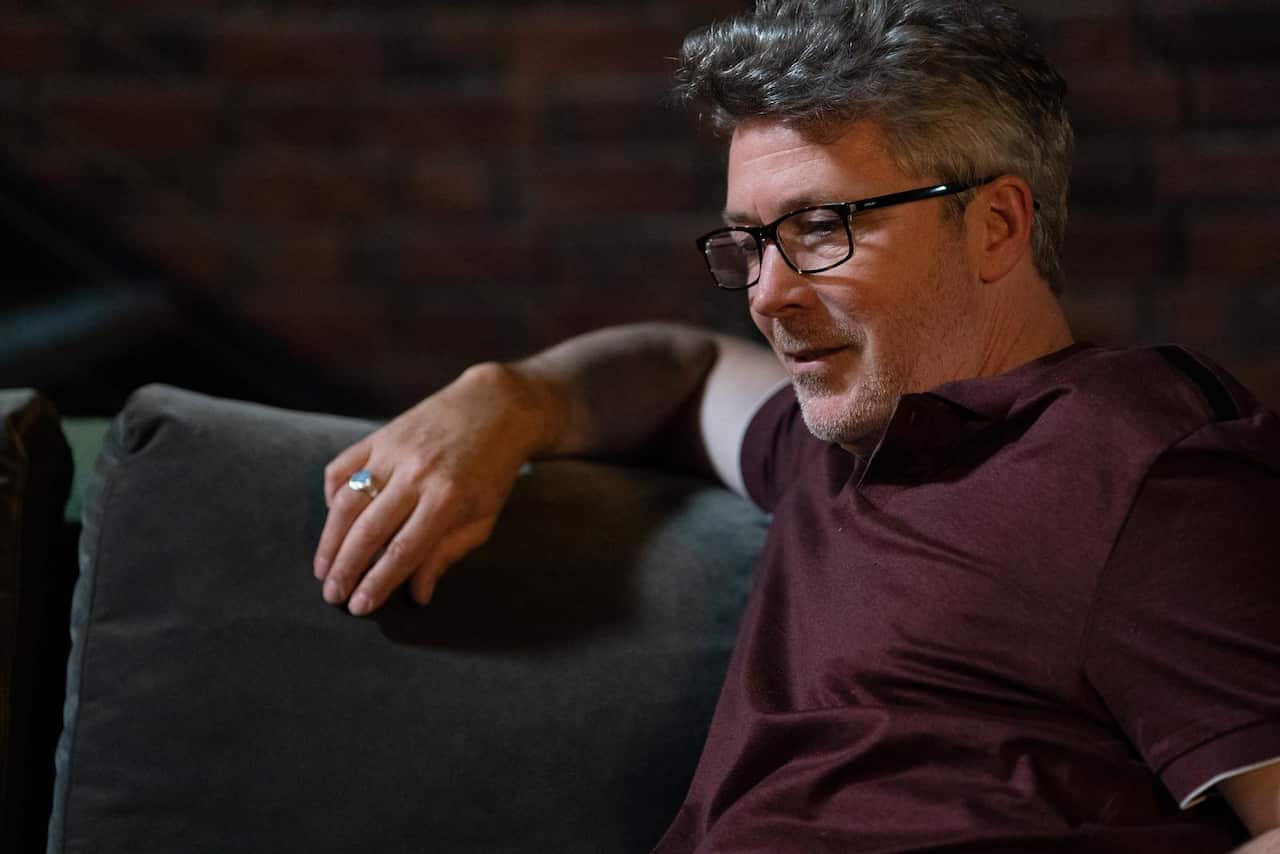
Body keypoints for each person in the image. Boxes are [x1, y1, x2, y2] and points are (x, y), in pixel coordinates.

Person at [311, 1, 1280, 850]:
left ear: (994, 225)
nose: (768, 294)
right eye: (749, 241)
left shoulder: (1140, 465)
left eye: (821, 228)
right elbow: (678, 371)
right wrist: (503, 397)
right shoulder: (834, 434)